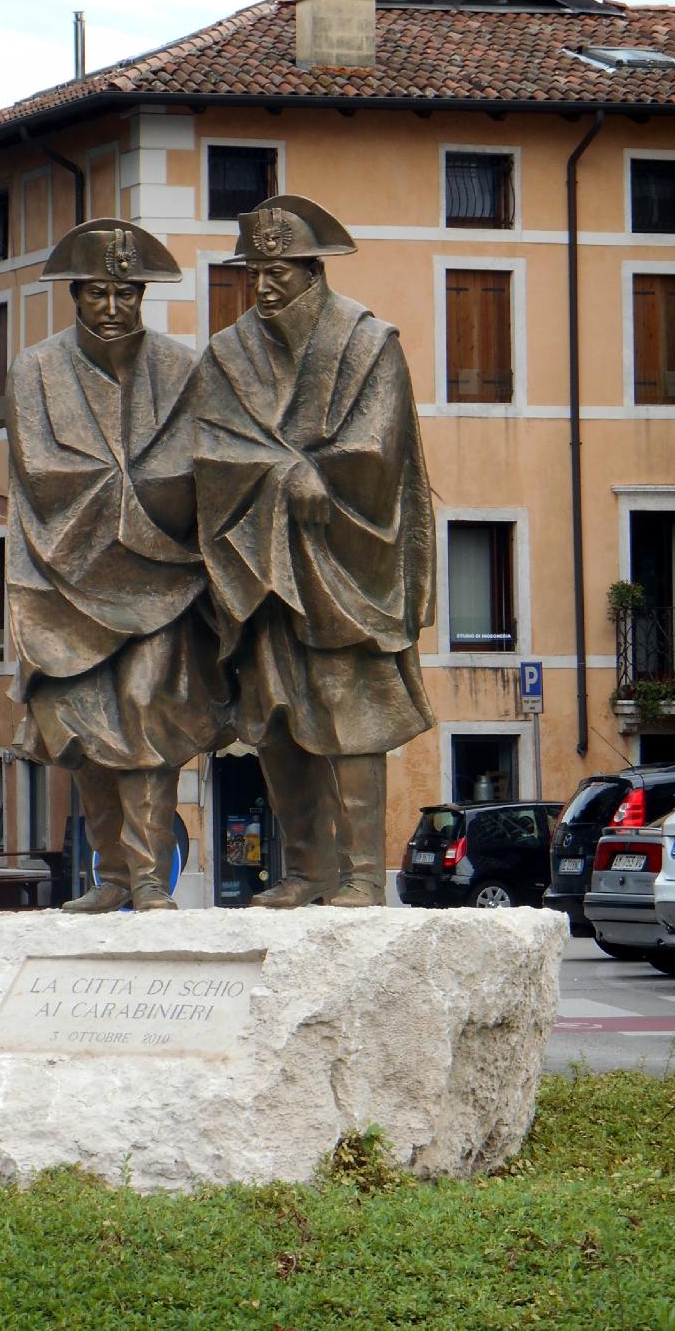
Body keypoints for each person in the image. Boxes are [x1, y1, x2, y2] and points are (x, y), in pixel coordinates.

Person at [193, 195, 435, 908]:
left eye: (280, 273)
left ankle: (361, 874)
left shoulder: (366, 343)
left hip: (343, 564)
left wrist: (311, 472)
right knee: (272, 718)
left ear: (313, 271)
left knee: (348, 715)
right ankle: (307, 871)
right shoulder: (227, 350)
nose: (264, 287)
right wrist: (281, 472)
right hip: (259, 566)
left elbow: (377, 448)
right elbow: (210, 445)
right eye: (255, 273)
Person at [7, 218, 233, 912]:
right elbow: (40, 468)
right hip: (63, 580)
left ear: (141, 296)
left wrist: (149, 500)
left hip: (162, 575)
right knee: (80, 730)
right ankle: (110, 876)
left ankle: (145, 878)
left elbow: (199, 461)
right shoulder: (35, 368)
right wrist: (126, 488)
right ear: (74, 294)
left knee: (148, 719)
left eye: (126, 293)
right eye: (99, 293)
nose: (112, 306)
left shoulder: (182, 367)